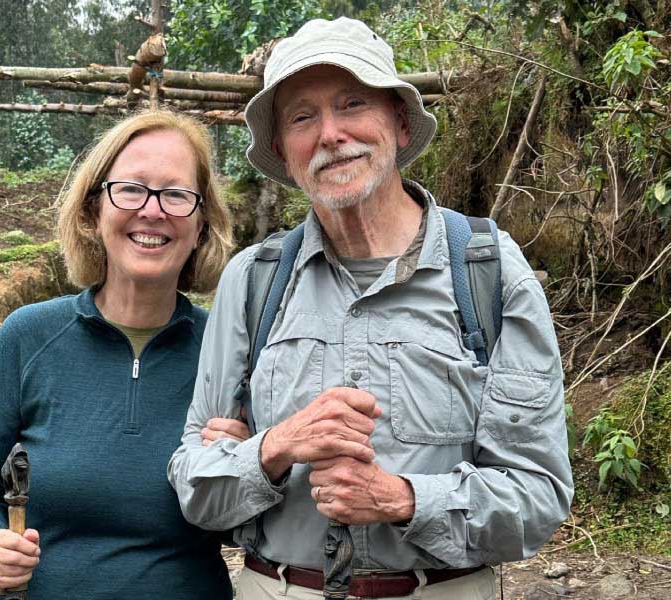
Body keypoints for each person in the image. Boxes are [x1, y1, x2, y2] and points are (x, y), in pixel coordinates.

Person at [168, 17, 574, 600]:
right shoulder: (253, 280)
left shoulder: (487, 270)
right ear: (282, 149)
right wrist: (275, 447)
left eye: (353, 103)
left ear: (400, 122)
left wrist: (400, 497)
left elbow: (537, 496)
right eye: (302, 117)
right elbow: (195, 488)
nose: (331, 134)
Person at [0, 110, 237, 599]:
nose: (152, 210)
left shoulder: (228, 351)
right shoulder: (29, 336)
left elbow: (247, 524)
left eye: (176, 194)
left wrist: (244, 465)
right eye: (131, 189)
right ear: (92, 211)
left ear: (202, 223)